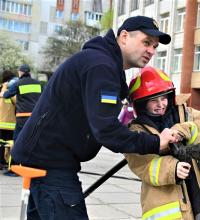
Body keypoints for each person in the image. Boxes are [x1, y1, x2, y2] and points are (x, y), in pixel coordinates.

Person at [9, 16, 178, 219]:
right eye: (146, 42)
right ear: (124, 37)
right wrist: (155, 142)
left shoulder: (100, 62)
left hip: (43, 159)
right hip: (51, 164)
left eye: (155, 46)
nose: (151, 50)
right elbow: (106, 130)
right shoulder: (102, 67)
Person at [125, 66, 200, 219]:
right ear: (141, 104)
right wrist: (172, 168)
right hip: (167, 205)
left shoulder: (186, 113)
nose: (161, 104)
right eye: (154, 101)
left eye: (164, 98)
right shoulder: (136, 130)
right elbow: (141, 164)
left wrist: (184, 129)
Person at [0, 65, 42, 176]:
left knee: (17, 141)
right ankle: (30, 167)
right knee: (31, 141)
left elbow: (7, 95)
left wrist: (3, 91)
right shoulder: (37, 83)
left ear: (21, 72)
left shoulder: (18, 83)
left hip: (22, 117)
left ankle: (15, 169)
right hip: (34, 117)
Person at [0, 70, 17, 169]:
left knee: (1, 144)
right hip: (10, 124)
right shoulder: (11, 91)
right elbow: (17, 103)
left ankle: (1, 162)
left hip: (1, 123)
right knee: (10, 144)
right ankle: (7, 162)